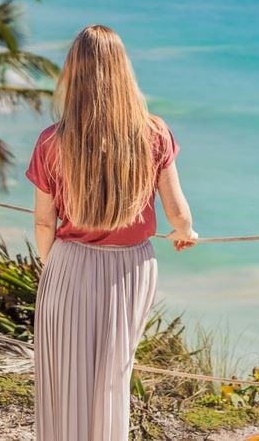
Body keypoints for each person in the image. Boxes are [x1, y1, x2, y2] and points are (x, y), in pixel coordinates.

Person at [26, 24, 197, 440]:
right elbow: (176, 208)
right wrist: (185, 231)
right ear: (124, 71)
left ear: (73, 74)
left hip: (68, 265)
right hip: (132, 268)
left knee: (64, 378)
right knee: (112, 376)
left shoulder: (53, 140)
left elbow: (44, 222)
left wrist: (55, 266)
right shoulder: (154, 133)